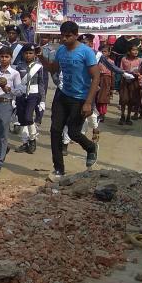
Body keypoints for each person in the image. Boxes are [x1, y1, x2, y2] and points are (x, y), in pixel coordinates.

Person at [38, 21, 101, 182]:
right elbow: (53, 69)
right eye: (62, 36)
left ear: (76, 34)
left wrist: (88, 102)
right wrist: (40, 57)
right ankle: (58, 168)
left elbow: (96, 78)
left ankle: (90, 147)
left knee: (73, 132)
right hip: (63, 94)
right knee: (55, 130)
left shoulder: (86, 52)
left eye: (68, 36)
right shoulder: (61, 51)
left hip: (80, 98)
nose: (64, 39)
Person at [15, 45, 47, 154]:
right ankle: (24, 142)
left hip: (33, 94)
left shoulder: (39, 66)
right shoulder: (19, 66)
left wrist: (42, 99)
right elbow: (16, 82)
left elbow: (42, 83)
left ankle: (32, 139)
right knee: (22, 119)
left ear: (34, 54)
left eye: (30, 53)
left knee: (29, 117)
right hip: (21, 94)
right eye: (26, 53)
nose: (28, 55)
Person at [119, 45, 142, 125]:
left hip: (134, 81)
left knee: (131, 100)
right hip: (125, 81)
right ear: (129, 51)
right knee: (123, 99)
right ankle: (122, 116)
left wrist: (138, 74)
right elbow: (120, 70)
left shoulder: (139, 60)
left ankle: (128, 117)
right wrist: (126, 73)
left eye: (137, 50)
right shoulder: (124, 59)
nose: (136, 52)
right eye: (133, 50)